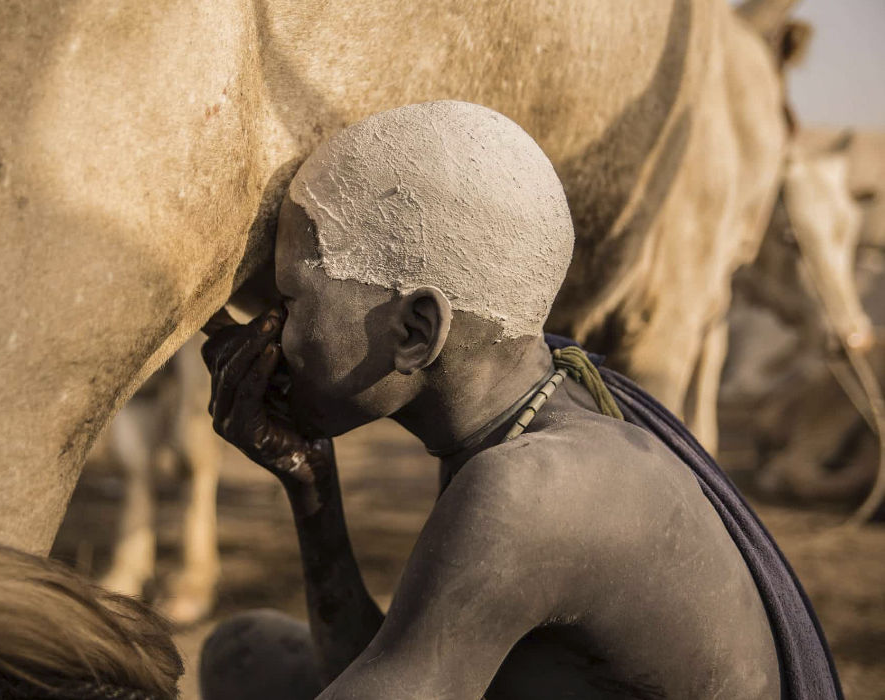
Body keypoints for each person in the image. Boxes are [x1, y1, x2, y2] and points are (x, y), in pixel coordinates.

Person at [196, 101, 840, 699]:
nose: (270, 332)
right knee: (243, 654)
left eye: (292, 302)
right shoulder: (530, 410)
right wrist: (310, 481)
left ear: (416, 332)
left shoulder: (529, 490)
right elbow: (390, 664)